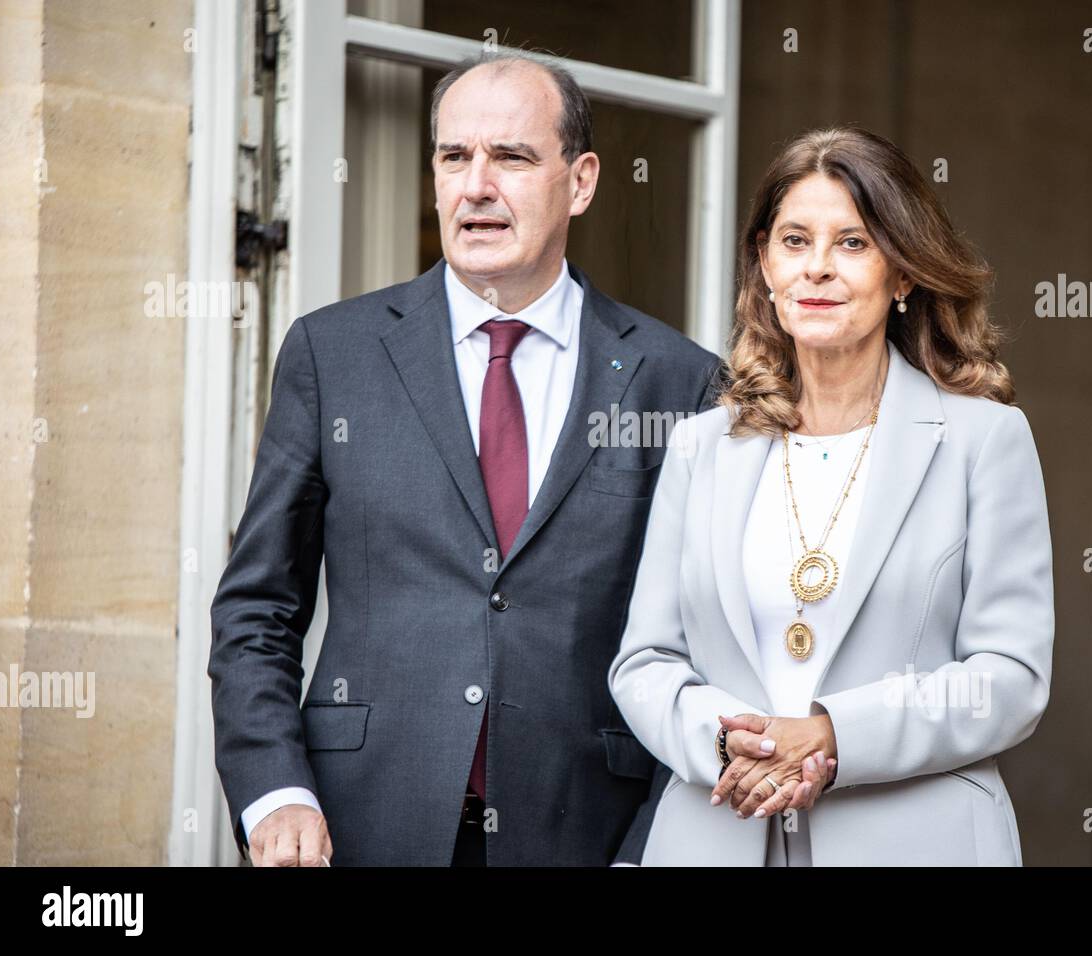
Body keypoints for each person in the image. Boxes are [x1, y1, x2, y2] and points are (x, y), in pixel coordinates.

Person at [208, 49, 722, 866]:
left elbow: (705, 648)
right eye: (455, 156)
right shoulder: (332, 354)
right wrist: (276, 790)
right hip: (361, 825)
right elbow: (258, 608)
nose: (476, 185)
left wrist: (651, 846)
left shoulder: (679, 380)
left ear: (580, 181)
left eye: (511, 157)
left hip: (587, 831)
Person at [608, 126, 1055, 865]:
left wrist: (834, 734)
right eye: (794, 241)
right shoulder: (701, 447)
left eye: (853, 243)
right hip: (720, 833)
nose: (817, 268)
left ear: (903, 274)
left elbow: (1010, 678)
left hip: (917, 841)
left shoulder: (986, 441)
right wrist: (725, 736)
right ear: (764, 263)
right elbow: (645, 661)